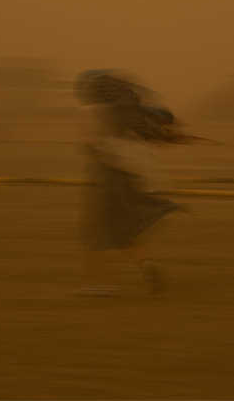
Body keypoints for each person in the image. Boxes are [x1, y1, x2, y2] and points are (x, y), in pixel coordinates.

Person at [74, 69, 187, 297]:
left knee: (93, 234)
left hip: (106, 183)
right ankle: (146, 265)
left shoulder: (98, 115)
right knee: (124, 235)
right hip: (125, 180)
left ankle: (98, 283)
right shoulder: (124, 116)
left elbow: (95, 149)